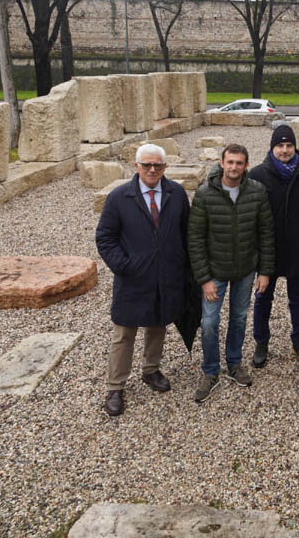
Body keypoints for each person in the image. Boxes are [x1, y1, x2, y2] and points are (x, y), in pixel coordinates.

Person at [95, 143, 190, 417]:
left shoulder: (176, 194)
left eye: (157, 165)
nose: (152, 169)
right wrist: (123, 265)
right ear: (136, 166)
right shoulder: (119, 197)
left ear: (164, 167)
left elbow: (186, 231)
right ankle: (115, 386)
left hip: (165, 275)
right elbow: (105, 237)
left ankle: (151, 370)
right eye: (147, 165)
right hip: (132, 277)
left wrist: (181, 265)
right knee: (124, 333)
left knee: (158, 324)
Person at [188, 143, 275, 403]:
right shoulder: (205, 194)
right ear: (222, 163)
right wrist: (204, 279)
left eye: (239, 163)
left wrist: (265, 272)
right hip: (214, 270)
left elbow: (266, 234)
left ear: (246, 165)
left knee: (239, 318)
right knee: (209, 323)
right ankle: (211, 371)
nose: (234, 167)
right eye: (230, 162)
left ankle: (235, 362)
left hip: (245, 270)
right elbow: (195, 238)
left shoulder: (257, 192)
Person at [248, 124, 299, 367]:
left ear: (294, 146)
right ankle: (261, 342)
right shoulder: (258, 174)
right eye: (280, 145)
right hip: (268, 248)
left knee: (297, 296)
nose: (285, 150)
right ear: (272, 148)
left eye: (289, 145)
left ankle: (298, 339)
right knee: (263, 296)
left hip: (297, 243)